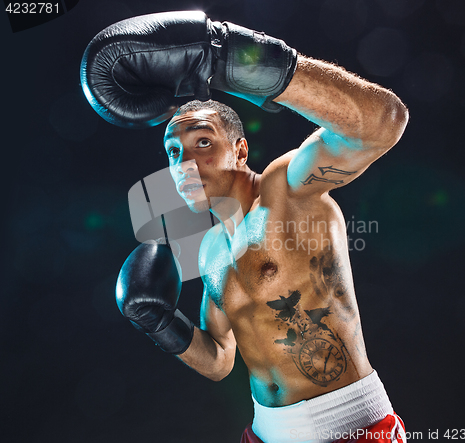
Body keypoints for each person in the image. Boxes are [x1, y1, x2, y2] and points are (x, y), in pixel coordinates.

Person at [82, 11, 409, 443]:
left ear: (239, 150)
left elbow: (381, 123)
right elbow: (219, 359)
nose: (186, 163)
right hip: (264, 433)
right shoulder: (211, 249)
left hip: (348, 425)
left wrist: (235, 59)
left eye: (203, 143)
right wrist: (160, 324)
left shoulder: (286, 191)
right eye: (174, 153)